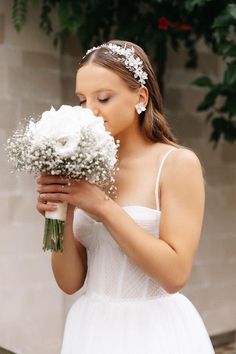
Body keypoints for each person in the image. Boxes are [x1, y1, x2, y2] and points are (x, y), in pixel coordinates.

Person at [36, 39, 215, 353]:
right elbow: (69, 284)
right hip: (90, 330)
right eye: (82, 100)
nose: (90, 111)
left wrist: (102, 207)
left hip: (154, 332)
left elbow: (174, 275)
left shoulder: (175, 164)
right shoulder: (83, 168)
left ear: (141, 97)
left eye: (103, 98)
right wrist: (60, 216)